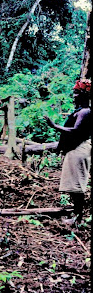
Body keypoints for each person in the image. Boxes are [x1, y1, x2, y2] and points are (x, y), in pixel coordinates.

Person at [45, 78, 91, 225]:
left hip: (79, 149)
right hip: (76, 150)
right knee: (73, 185)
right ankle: (77, 216)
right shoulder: (81, 111)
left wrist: (54, 126)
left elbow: (75, 131)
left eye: (76, 93)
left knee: (76, 186)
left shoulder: (85, 111)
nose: (74, 95)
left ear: (84, 94)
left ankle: (78, 218)